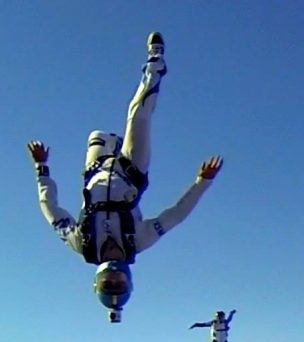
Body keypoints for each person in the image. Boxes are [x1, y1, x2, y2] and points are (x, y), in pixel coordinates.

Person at [27, 32, 224, 322]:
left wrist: (42, 170)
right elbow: (176, 215)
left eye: (109, 285)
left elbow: (51, 211)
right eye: (120, 284)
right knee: (137, 115)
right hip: (132, 172)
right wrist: (201, 183)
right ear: (130, 281)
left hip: (95, 170)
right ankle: (155, 64)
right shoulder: (138, 241)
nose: (115, 278)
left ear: (97, 282)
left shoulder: (82, 244)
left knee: (97, 136)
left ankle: (111, 142)